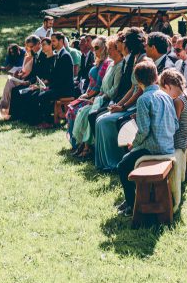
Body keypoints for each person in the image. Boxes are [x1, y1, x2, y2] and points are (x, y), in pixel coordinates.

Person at [114, 61, 178, 217]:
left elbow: (143, 131)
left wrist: (134, 144)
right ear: (156, 76)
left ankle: (131, 202)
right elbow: (175, 124)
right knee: (128, 157)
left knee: (122, 166)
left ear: (138, 81)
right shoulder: (166, 95)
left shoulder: (143, 99)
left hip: (153, 147)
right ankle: (137, 196)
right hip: (168, 144)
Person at [94, 29, 147, 171]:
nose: (121, 44)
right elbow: (132, 88)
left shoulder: (143, 59)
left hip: (137, 104)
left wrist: (123, 107)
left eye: (123, 42)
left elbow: (140, 90)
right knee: (100, 119)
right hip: (129, 102)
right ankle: (104, 162)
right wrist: (119, 104)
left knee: (105, 121)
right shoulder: (135, 58)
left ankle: (114, 161)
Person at [72, 38, 124, 158]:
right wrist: (98, 95)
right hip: (101, 97)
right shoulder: (111, 64)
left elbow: (115, 89)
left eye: (111, 49)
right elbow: (103, 86)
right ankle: (83, 144)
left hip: (109, 99)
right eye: (108, 48)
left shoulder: (120, 66)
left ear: (118, 50)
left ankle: (88, 147)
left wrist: (101, 97)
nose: (109, 51)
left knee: (90, 113)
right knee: (82, 111)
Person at [65, 37, 112, 148]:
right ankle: (76, 143)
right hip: (90, 93)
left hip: (97, 97)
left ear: (104, 48)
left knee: (75, 110)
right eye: (93, 48)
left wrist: (88, 95)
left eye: (97, 48)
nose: (94, 50)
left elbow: (100, 86)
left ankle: (81, 145)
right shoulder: (98, 61)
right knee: (71, 107)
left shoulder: (107, 63)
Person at [0, 36, 40, 117]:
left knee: (12, 84)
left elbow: (33, 73)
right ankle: (5, 106)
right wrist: (19, 74)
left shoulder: (35, 57)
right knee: (11, 82)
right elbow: (23, 72)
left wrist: (25, 79)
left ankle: (4, 105)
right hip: (23, 79)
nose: (27, 49)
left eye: (29, 47)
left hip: (30, 81)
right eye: (26, 47)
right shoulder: (26, 57)